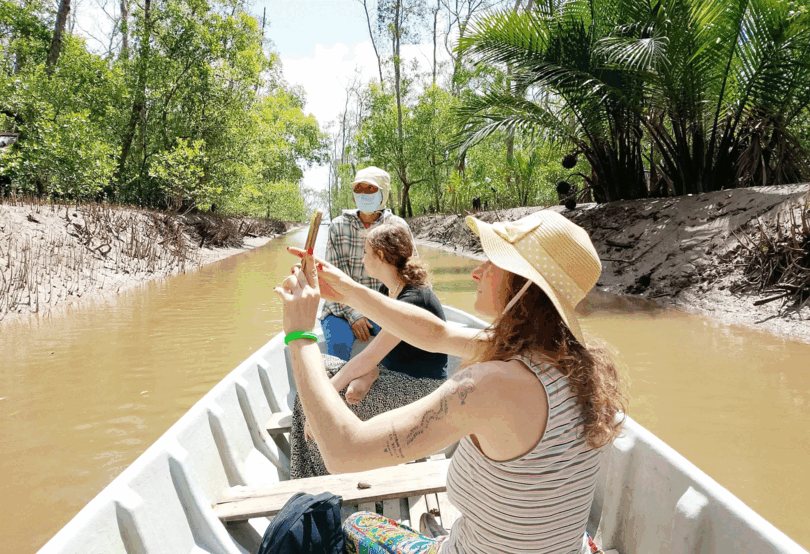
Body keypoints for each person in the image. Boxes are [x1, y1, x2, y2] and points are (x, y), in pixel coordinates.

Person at [277, 210, 626, 554]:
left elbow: (344, 451)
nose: (477, 271)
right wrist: (350, 291)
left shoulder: (489, 385)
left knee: (356, 525)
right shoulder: (576, 363)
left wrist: (299, 333)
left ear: (523, 285)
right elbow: (436, 332)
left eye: (491, 262)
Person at [289, 223, 448, 479]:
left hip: (419, 389)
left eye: (365, 253)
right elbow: (380, 355)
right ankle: (310, 477)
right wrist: (366, 375)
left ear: (381, 256)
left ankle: (320, 482)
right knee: (313, 376)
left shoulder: (415, 299)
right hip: (393, 376)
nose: (362, 259)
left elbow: (369, 356)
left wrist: (319, 403)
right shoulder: (389, 291)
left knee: (316, 401)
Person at [320, 166, 414, 361]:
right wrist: (354, 314)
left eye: (371, 189)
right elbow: (331, 276)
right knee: (338, 345)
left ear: (383, 193)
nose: (364, 194)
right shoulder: (338, 226)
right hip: (341, 307)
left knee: (400, 346)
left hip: (383, 306)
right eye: (359, 189)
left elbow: (411, 273)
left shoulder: (397, 226)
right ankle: (336, 386)